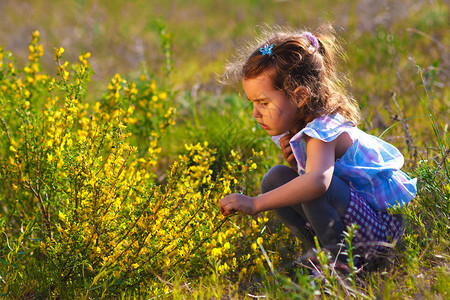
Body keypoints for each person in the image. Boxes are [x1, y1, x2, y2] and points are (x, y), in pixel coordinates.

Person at [219, 26, 417, 267]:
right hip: (359, 220)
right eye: (252, 103)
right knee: (275, 178)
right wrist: (296, 164)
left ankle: (341, 261)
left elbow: (317, 183)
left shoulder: (322, 130)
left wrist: (256, 203)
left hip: (383, 233)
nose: (255, 113)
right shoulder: (305, 125)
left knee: (310, 186)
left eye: (263, 102)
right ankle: (320, 253)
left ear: (300, 96)